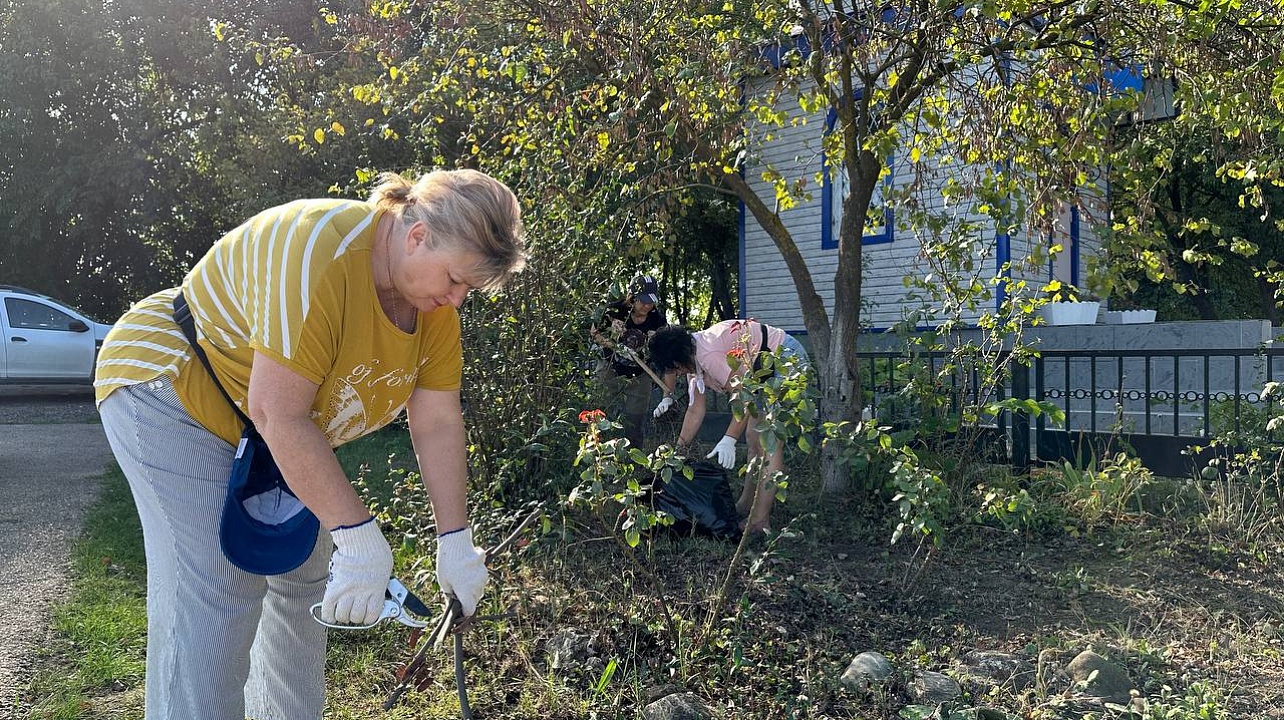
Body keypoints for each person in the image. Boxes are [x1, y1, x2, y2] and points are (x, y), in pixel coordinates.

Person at [93, 169, 526, 720]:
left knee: (306, 584)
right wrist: (360, 540)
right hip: (172, 385)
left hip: (264, 428)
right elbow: (278, 412)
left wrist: (455, 542)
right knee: (223, 589)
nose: (458, 299)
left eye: (468, 290)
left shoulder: (430, 306)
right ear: (417, 236)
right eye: (456, 279)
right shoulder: (322, 252)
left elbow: (437, 421)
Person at [647, 319, 810, 534]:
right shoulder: (693, 361)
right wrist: (678, 452)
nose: (675, 374)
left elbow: (744, 398)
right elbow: (695, 410)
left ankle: (760, 521)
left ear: (678, 359)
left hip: (785, 358)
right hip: (761, 371)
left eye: (673, 368)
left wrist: (729, 439)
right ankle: (746, 505)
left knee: (769, 442)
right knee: (753, 438)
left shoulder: (708, 354)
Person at [588, 274, 667, 446]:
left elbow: (661, 348)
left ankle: (634, 454)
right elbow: (595, 332)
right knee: (600, 409)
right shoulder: (614, 311)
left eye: (651, 301)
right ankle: (597, 448)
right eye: (643, 301)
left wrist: (652, 344)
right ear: (631, 297)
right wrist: (615, 346)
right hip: (610, 365)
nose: (647, 305)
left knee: (635, 419)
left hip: (640, 372)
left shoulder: (658, 319)